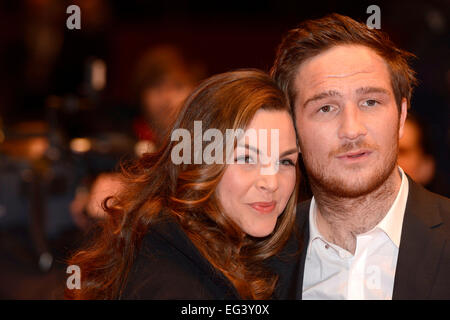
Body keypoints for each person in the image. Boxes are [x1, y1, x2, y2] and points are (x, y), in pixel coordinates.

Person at [66, 69, 300, 299]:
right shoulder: (173, 281)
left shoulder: (181, 243)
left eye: (285, 161)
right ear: (198, 162)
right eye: (247, 158)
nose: (271, 182)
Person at [270, 13, 450, 299]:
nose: (352, 130)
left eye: (370, 102)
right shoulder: (253, 261)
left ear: (401, 116)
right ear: (291, 130)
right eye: (326, 108)